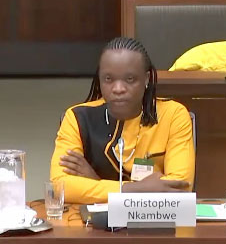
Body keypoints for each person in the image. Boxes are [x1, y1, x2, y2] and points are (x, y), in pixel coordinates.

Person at [50, 37, 195, 204]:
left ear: (146, 79)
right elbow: (60, 185)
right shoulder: (77, 117)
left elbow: (179, 188)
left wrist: (95, 182)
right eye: (108, 79)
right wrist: (133, 189)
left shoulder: (173, 115)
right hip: (92, 226)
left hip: (153, 223)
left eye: (130, 79)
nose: (118, 89)